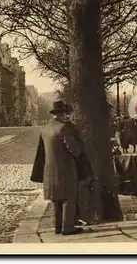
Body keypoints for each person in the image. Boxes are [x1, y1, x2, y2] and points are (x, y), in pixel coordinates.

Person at [30, 100, 84, 235]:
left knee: (56, 199)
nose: (66, 116)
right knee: (68, 198)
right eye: (65, 113)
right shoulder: (64, 129)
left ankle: (57, 226)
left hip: (49, 171)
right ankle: (68, 227)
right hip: (66, 169)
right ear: (62, 113)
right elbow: (75, 151)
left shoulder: (45, 129)